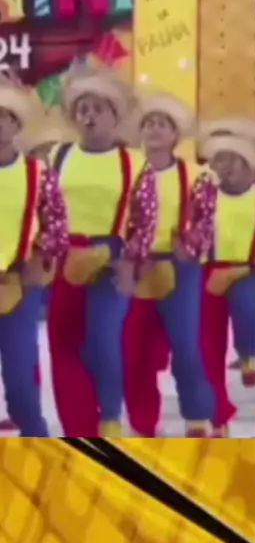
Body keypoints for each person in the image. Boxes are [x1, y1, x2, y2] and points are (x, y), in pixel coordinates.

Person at [47, 64, 158, 437]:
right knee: (63, 344)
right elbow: (46, 211)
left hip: (111, 258)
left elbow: (145, 219)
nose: (89, 116)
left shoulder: (134, 163)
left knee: (103, 340)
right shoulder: (58, 156)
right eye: (83, 109)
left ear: (115, 115)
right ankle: (78, 425)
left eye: (98, 109)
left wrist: (130, 263)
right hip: (66, 255)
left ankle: (109, 414)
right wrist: (47, 255)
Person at [123, 91, 215, 437]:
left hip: (180, 267)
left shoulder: (195, 175)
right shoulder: (127, 169)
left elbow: (207, 220)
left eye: (162, 124)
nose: (154, 129)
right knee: (134, 348)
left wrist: (188, 247)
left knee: (185, 344)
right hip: (135, 267)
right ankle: (143, 421)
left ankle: (197, 416)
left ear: (176, 134)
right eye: (149, 123)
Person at [190, 133, 255, 436]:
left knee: (250, 310)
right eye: (219, 160)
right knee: (207, 348)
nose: (224, 166)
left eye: (231, 159)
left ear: (247, 164)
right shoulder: (203, 197)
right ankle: (218, 416)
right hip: (208, 273)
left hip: (248, 271)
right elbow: (193, 235)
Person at [0, 75, 68, 436]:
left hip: (20, 282)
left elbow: (57, 222)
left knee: (20, 369)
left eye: (5, 117)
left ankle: (34, 435)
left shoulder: (37, 173)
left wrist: (39, 258)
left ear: (16, 125)